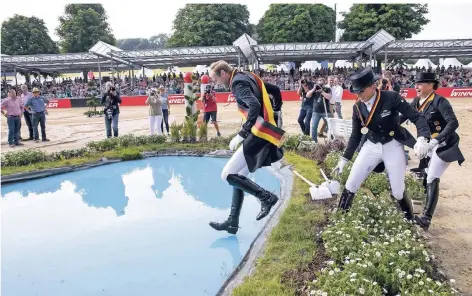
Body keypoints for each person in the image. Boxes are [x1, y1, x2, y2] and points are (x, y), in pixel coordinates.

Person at [333, 67, 431, 220]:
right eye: (356, 92)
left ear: (372, 86)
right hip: (371, 146)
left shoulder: (391, 97)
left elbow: (417, 117)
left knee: (398, 191)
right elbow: (355, 136)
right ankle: (340, 218)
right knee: (351, 183)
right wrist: (344, 159)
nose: (358, 95)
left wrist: (423, 137)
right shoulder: (357, 107)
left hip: (392, 145)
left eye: (361, 91)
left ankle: (411, 220)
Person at [208, 60, 286, 234]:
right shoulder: (246, 76)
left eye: (215, 79)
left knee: (227, 175)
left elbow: (254, 105)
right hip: (262, 129)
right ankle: (232, 222)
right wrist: (276, 110)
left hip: (258, 132)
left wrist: (242, 133)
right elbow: (274, 90)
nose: (215, 83)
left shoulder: (237, 82)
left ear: (223, 73)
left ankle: (267, 198)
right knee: (239, 176)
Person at [400, 72, 465, 230]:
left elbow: (453, 123)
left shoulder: (440, 101)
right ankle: (424, 204)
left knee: (432, 176)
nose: (416, 87)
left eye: (420, 84)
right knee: (427, 174)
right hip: (428, 145)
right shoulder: (416, 101)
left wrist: (437, 140)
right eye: (416, 84)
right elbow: (401, 118)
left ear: (430, 85)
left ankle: (426, 219)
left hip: (444, 144)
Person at [310, 77, 332, 142]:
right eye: (319, 81)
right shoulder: (314, 90)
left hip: (325, 111)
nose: (320, 82)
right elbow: (308, 95)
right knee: (314, 126)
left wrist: (322, 91)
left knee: (330, 126)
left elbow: (329, 97)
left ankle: (331, 140)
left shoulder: (327, 89)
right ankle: (314, 141)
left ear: (324, 82)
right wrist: (314, 89)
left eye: (321, 81)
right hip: (316, 111)